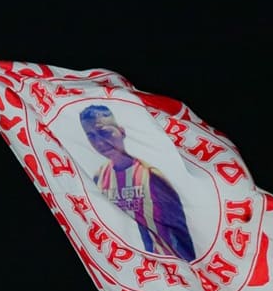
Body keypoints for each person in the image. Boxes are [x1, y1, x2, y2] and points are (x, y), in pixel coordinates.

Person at [79, 104, 195, 260]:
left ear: (121, 132)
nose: (99, 142)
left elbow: (182, 231)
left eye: (104, 132)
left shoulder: (150, 176)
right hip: (131, 271)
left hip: (169, 269)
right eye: (91, 136)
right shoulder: (98, 178)